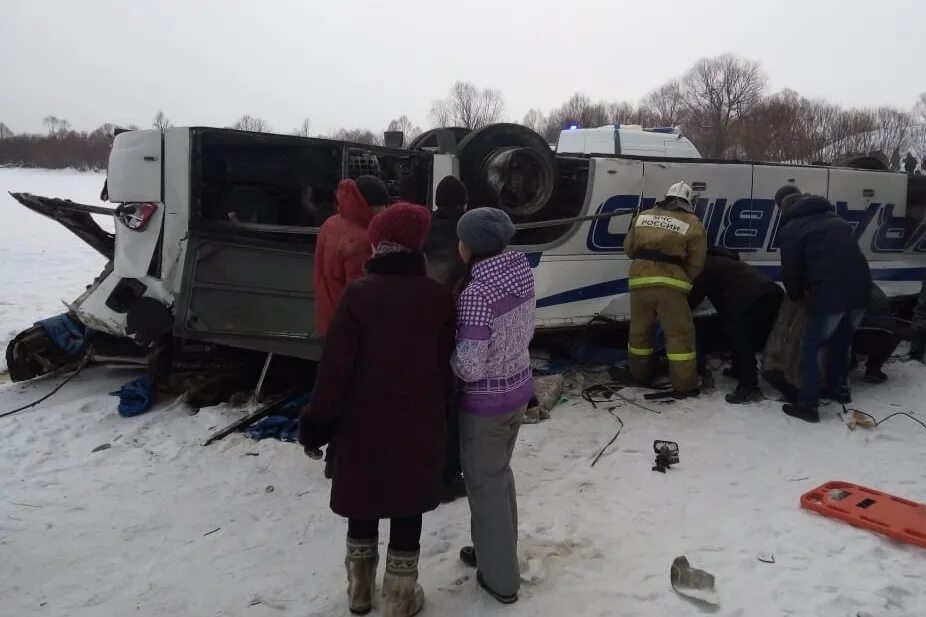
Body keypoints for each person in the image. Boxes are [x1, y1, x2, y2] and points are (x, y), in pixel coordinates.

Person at [299, 203, 455, 617]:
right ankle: (401, 600)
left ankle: (360, 591)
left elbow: (334, 371)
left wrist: (316, 426)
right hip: (419, 421)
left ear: (378, 243)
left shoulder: (358, 295)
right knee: (408, 505)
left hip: (361, 423)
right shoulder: (438, 298)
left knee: (363, 502)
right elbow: (446, 367)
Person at [452, 208, 535, 605]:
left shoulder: (476, 294)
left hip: (484, 406)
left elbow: (468, 366)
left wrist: (442, 357)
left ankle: (501, 579)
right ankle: (493, 550)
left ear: (471, 247)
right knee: (498, 479)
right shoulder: (520, 273)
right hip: (517, 392)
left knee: (486, 487)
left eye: (461, 239)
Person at [776, 185, 872, 423]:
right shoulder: (836, 220)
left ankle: (808, 405)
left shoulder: (792, 229)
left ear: (784, 208)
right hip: (861, 290)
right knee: (842, 340)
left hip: (830, 294)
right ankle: (838, 388)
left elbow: (791, 272)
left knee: (812, 346)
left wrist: (796, 295)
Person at [625, 181, 707, 398]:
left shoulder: (643, 216)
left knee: (639, 333)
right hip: (671, 286)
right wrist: (683, 278)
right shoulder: (693, 223)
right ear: (688, 201)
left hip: (639, 281)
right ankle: (684, 386)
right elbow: (697, 261)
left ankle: (639, 375)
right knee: (680, 336)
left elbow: (629, 249)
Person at [423, 175, 469, 503]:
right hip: (454, 329)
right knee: (451, 408)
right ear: (463, 202)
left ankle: (420, 469)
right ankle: (445, 478)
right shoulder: (466, 235)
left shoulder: (422, 229)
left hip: (419, 327)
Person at [688, 246, 783, 403]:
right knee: (738, 333)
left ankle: (749, 387)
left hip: (751, 301)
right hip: (772, 294)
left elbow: (695, 295)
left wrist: (678, 311)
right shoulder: (729, 264)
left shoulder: (709, 265)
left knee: (742, 340)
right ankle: (739, 369)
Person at [313, 175, 390, 337]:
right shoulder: (363, 240)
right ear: (368, 205)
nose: (385, 210)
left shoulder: (329, 224)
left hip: (328, 318)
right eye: (382, 205)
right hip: (351, 330)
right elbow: (361, 297)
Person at [852, 283, 900, 383]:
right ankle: (874, 369)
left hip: (855, 334)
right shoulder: (876, 290)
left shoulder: (845, 288)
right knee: (894, 334)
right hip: (884, 334)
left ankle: (849, 362)